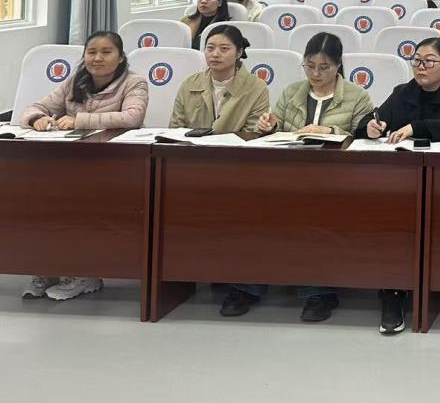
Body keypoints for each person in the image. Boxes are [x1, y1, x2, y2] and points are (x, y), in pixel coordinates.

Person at [234, 33, 376, 323]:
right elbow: (279, 130)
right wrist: (270, 126)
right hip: (289, 175)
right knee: (254, 208)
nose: (315, 74)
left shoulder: (357, 96)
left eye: (323, 67)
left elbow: (364, 138)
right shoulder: (292, 92)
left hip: (336, 180)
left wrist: (332, 132)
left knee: (314, 215)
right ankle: (248, 286)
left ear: (338, 65)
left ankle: (318, 291)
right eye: (309, 66)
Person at [355, 35, 440, 334]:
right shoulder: (403, 92)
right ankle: (392, 291)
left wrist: (415, 128)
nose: (421, 67)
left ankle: (433, 285)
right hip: (404, 183)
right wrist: (370, 127)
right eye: (417, 60)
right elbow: (371, 121)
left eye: (429, 61)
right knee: (391, 222)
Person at [19, 31, 149, 302]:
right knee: (41, 202)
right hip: (71, 163)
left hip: (115, 165)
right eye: (91, 52)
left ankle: (84, 273)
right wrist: (36, 119)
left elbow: (132, 117)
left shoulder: (134, 82)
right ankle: (48, 269)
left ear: (120, 57)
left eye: (106, 52)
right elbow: (35, 107)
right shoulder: (74, 81)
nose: (97, 58)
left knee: (78, 206)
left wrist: (80, 120)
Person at [169, 25, 269, 133]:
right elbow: (175, 129)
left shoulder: (257, 88)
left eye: (224, 49)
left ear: (239, 53)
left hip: (236, 144)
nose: (215, 54)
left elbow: (253, 133)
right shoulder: (190, 84)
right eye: (210, 48)